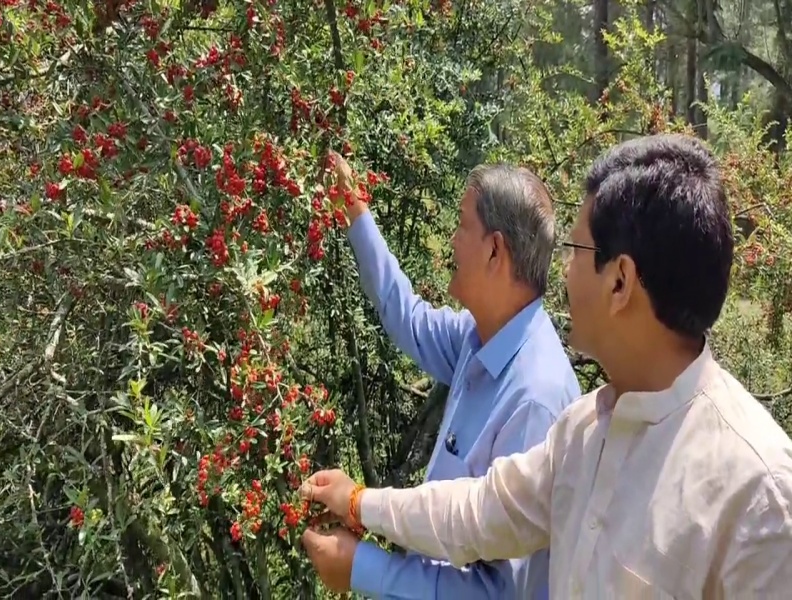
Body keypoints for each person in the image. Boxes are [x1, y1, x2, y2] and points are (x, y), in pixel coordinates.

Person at [300, 134, 792, 597]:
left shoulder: (760, 493)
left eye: (575, 252)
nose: (560, 271)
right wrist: (359, 503)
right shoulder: (581, 433)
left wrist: (363, 558)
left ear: (620, 282)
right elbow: (477, 511)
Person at [300, 152, 580, 599]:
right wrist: (353, 207)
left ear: (494, 249)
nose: (451, 240)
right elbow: (405, 314)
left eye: (462, 225)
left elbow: (498, 593)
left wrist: (363, 568)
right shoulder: (481, 337)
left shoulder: (534, 401)